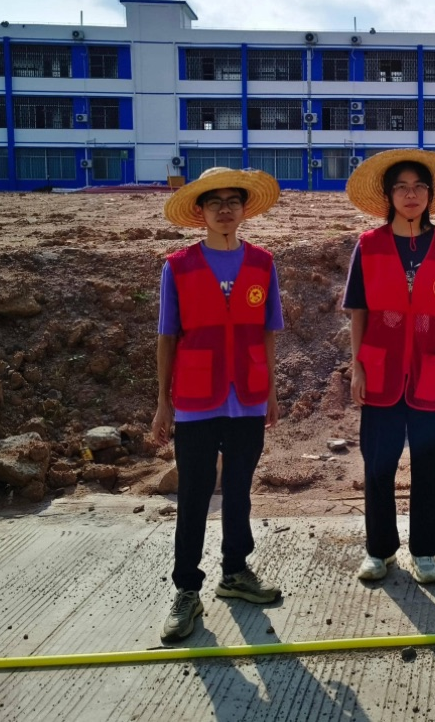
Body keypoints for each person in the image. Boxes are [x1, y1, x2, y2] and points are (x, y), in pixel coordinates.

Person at [151, 167, 285, 644]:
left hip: (248, 395)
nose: (225, 209)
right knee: (194, 494)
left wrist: (271, 391)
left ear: (244, 209)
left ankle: (235, 572)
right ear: (200, 212)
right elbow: (167, 338)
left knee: (240, 490)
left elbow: (267, 333)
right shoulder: (178, 267)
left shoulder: (263, 263)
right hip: (195, 399)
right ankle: (187, 589)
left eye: (233, 201)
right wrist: (162, 402)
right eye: (215, 202)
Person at [343, 149, 435, 585]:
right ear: (388, 196)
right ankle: (379, 550)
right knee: (378, 465)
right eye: (401, 187)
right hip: (380, 372)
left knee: (429, 465)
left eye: (419, 186)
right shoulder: (368, 245)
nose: (410, 194)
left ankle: (425, 551)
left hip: (433, 372)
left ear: (430, 195)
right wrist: (357, 368)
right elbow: (358, 312)